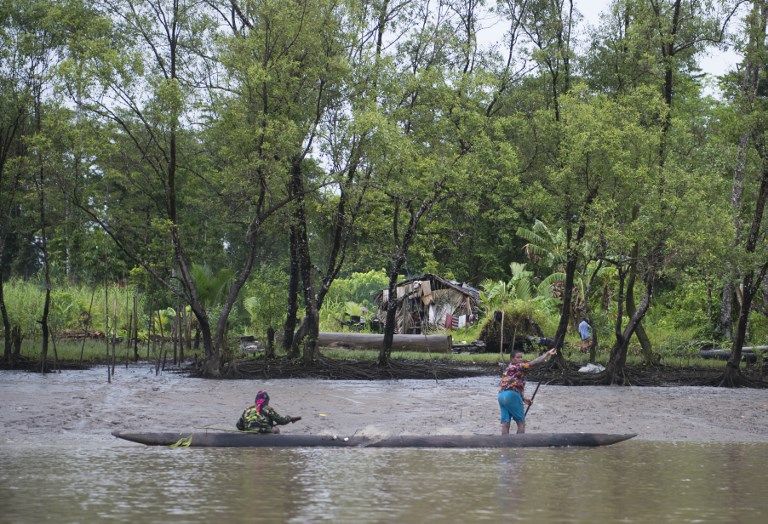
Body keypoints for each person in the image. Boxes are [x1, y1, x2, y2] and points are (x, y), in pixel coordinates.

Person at [498, 348, 556, 435]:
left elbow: (510, 386)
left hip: (501, 396)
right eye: (518, 357)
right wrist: (547, 354)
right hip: (512, 395)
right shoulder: (519, 366)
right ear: (512, 359)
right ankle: (519, 445)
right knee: (521, 424)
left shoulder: (508, 369)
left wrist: (523, 399)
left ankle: (504, 445)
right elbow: (534, 362)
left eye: (521, 357)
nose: (520, 359)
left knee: (505, 423)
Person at [236, 390, 301, 434]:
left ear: (256, 400)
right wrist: (290, 418)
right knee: (276, 429)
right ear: (267, 401)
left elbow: (239, 426)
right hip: (264, 432)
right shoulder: (267, 409)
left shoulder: (247, 409)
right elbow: (282, 421)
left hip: (248, 432)